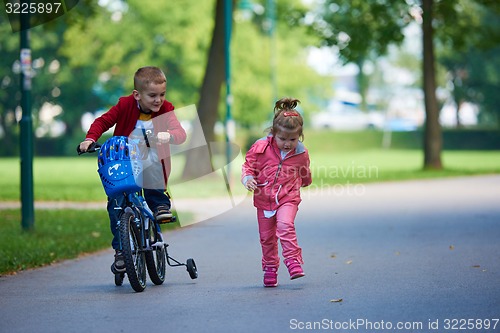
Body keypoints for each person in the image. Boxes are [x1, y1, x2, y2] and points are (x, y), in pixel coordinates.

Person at [79, 66, 187, 273]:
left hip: (152, 160)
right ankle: (121, 251)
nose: (158, 100)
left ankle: (160, 206)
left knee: (153, 165)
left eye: (162, 95)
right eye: (152, 96)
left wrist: (170, 135)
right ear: (137, 95)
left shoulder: (167, 109)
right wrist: (90, 139)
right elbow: (104, 121)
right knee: (116, 205)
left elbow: (180, 133)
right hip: (125, 160)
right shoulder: (125, 105)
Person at [241, 97, 312, 287]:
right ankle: (270, 268)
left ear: (300, 136)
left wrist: (306, 181)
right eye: (282, 139)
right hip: (264, 200)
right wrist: (248, 179)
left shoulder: (300, 153)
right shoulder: (260, 148)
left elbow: (304, 170)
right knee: (267, 238)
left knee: (285, 225)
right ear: (273, 133)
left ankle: (293, 261)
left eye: (293, 139)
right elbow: (248, 167)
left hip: (288, 197)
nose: (287, 144)